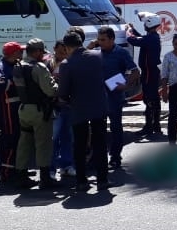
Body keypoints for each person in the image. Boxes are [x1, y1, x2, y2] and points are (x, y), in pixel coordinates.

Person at [57, 31, 112, 192]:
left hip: (78, 108)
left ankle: (81, 180)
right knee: (100, 144)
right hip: (98, 106)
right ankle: (102, 180)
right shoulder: (97, 56)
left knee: (79, 146)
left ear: (67, 47)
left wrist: (64, 100)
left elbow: (63, 92)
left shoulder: (67, 64)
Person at [13, 38, 58, 188]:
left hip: (24, 109)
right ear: (37, 51)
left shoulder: (18, 65)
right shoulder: (38, 67)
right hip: (39, 111)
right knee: (43, 143)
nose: (43, 55)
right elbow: (50, 90)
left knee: (24, 143)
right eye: (41, 52)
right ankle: (45, 179)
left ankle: (21, 176)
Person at [95, 26, 139, 169]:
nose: (100, 42)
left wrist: (125, 85)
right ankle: (96, 158)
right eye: (99, 39)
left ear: (112, 39)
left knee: (116, 128)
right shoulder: (95, 54)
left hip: (114, 98)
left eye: (103, 40)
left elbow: (135, 72)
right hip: (99, 98)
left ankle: (115, 157)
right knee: (98, 130)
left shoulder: (121, 53)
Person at [126, 12, 163, 139]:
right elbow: (140, 38)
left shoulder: (151, 38)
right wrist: (134, 30)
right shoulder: (152, 37)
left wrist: (128, 30)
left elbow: (132, 39)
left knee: (149, 99)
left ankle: (150, 126)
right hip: (151, 72)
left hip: (149, 73)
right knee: (153, 98)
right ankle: (155, 125)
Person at [0, 41, 24, 185]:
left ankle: (16, 169)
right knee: (10, 139)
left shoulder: (13, 65)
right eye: (20, 51)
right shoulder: (2, 67)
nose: (22, 54)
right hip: (8, 108)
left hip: (16, 108)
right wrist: (16, 82)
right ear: (13, 54)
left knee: (17, 139)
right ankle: (6, 173)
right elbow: (2, 84)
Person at [49, 39, 75, 180]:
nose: (63, 54)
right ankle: (51, 169)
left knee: (68, 137)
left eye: (65, 52)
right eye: (60, 52)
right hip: (55, 107)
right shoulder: (49, 64)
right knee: (53, 139)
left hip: (69, 105)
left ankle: (66, 165)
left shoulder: (71, 63)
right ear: (55, 50)